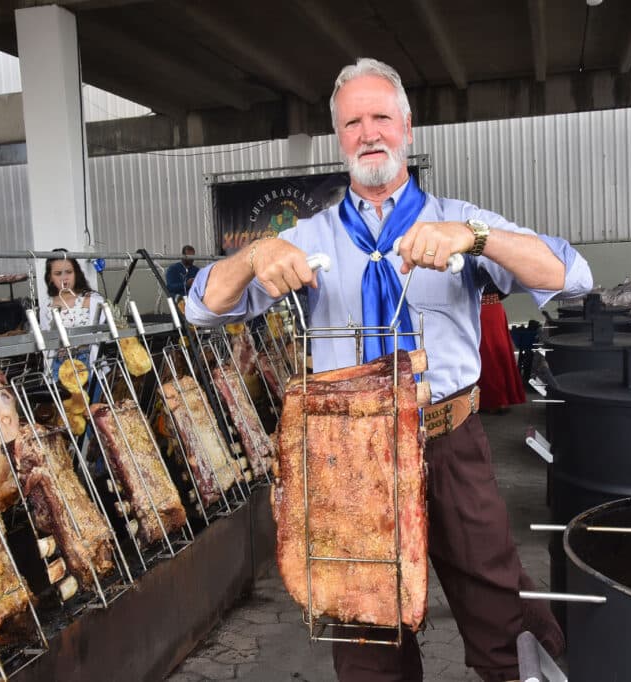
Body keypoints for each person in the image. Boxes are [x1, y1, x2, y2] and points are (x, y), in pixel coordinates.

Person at [184, 58, 592, 681]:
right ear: (339, 138)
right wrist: (255, 255)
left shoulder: (457, 218)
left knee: (498, 609)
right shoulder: (308, 237)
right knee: (367, 633)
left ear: (406, 125)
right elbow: (200, 308)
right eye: (353, 122)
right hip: (349, 454)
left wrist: (475, 239)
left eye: (381, 117)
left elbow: (569, 275)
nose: (368, 132)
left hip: (448, 440)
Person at [40, 251, 104, 376]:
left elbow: (103, 337)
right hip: (59, 368)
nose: (64, 278)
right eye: (58, 274)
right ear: (50, 278)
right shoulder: (46, 307)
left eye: (69, 272)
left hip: (90, 365)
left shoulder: (93, 300)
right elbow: (47, 344)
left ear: (76, 273)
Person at [477, 283, 527, 414]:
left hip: (485, 310)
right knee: (492, 353)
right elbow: (506, 286)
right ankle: (494, 400)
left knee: (490, 354)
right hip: (490, 308)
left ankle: (495, 400)